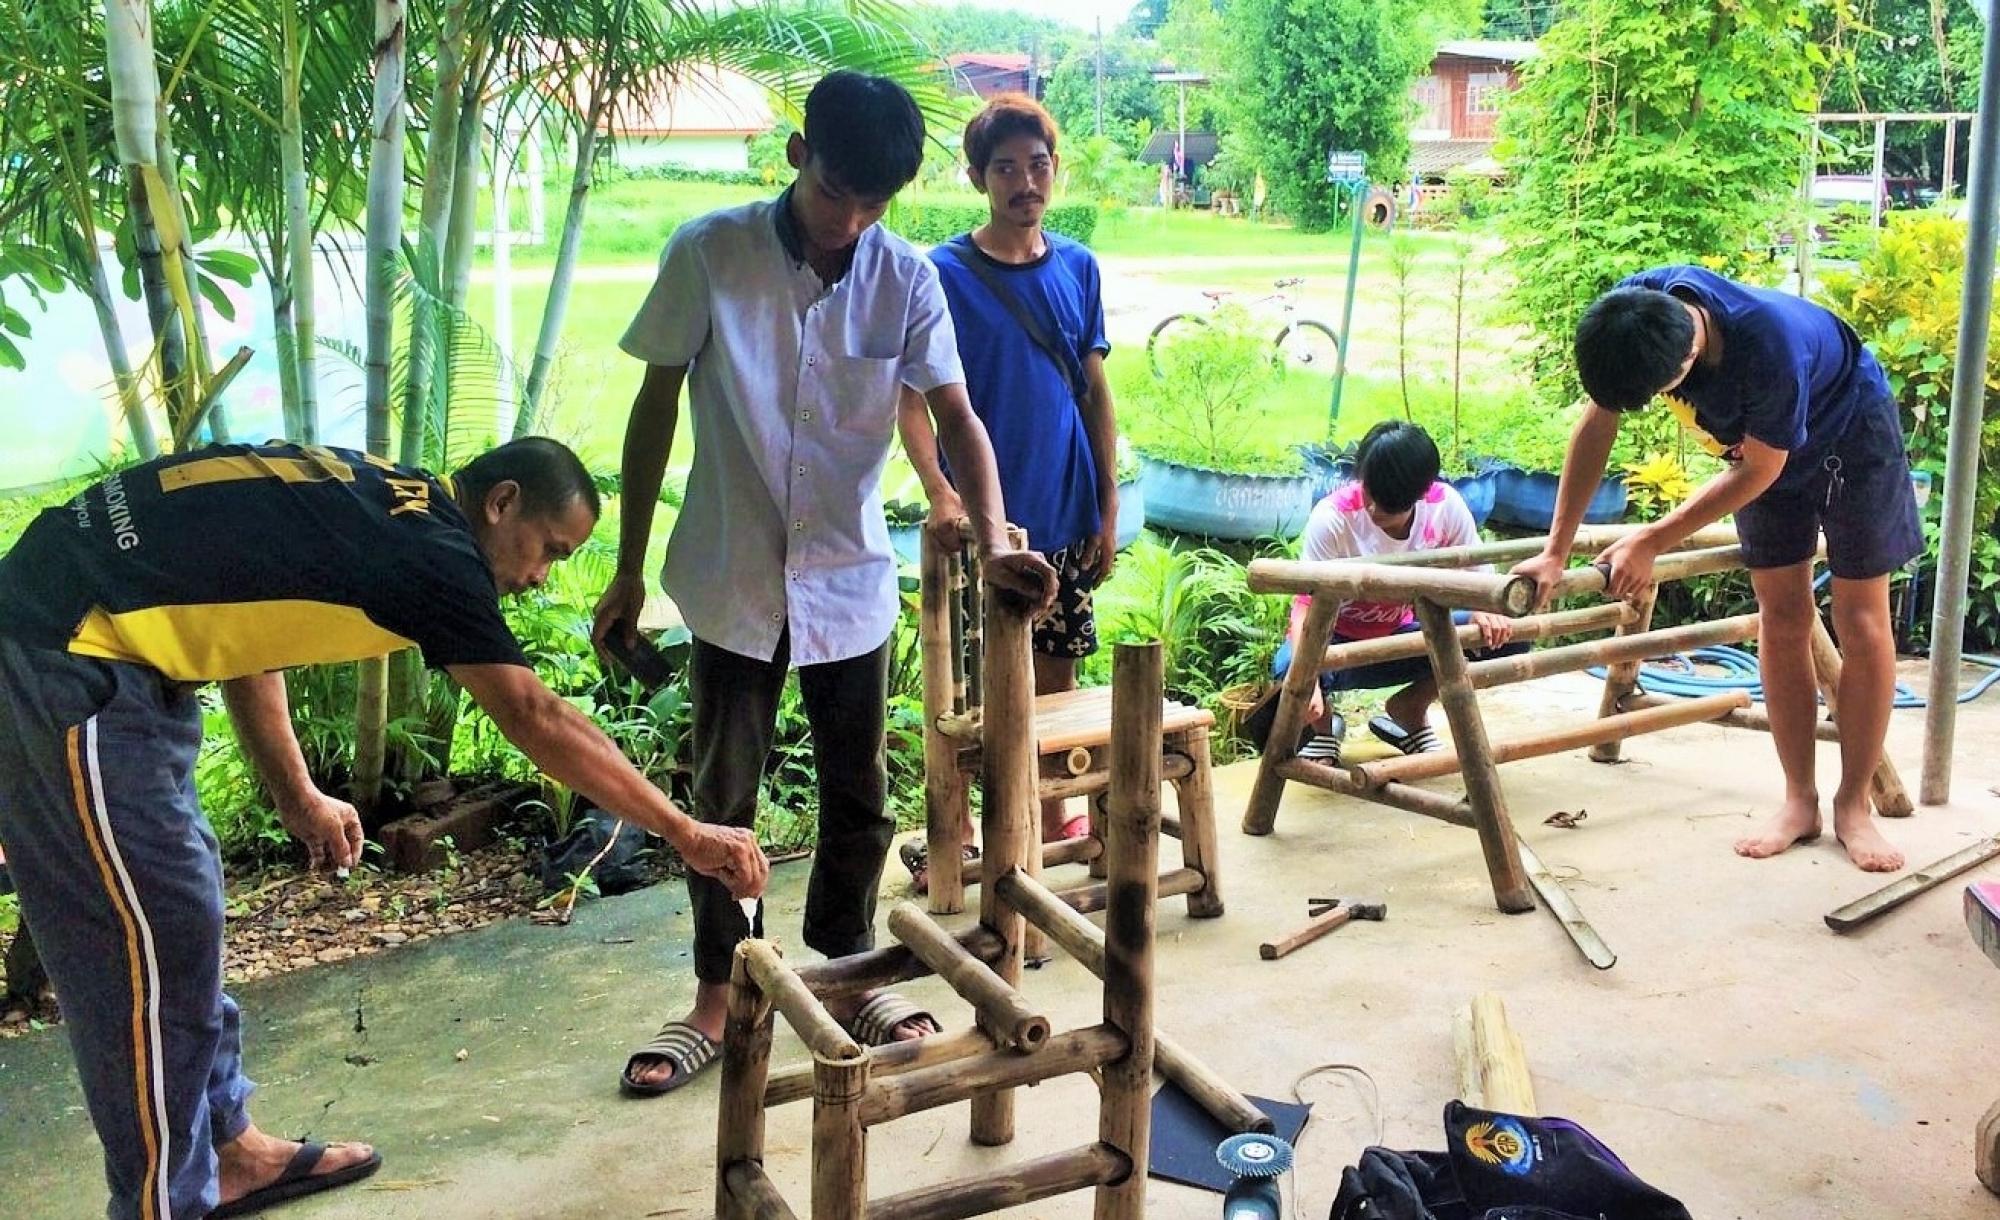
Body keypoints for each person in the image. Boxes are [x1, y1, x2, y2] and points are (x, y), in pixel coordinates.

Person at [0, 437, 767, 1220]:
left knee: (180, 916)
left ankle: (230, 1153)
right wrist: (685, 831)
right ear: (501, 503)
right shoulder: (435, 557)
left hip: (120, 649)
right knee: (142, 959)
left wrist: (297, 793)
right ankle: (162, 1204)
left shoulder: (392, 499)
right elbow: (535, 715)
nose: (541, 576)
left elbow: (244, 613)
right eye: (549, 550)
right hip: (69, 649)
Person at [593, 71, 1058, 1097]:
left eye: (873, 204)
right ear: (798, 155)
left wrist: (991, 541)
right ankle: (718, 994)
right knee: (723, 796)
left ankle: (846, 976)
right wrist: (626, 566)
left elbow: (956, 415)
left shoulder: (904, 278)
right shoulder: (709, 253)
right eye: (837, 193)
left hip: (847, 580)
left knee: (859, 795)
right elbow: (653, 407)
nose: (850, 222)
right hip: (731, 576)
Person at [1509, 266, 1921, 873]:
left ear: (1689, 357)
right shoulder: (1633, 315)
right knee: (1781, 614)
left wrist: (1651, 539)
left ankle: (1853, 806)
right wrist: (1555, 549)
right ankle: (1799, 801)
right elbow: (1598, 423)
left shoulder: (1769, 346)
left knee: (1860, 620)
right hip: (1758, 445)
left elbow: (1761, 469)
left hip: (1849, 430)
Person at [895, 94, 1118, 889]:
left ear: (1056, 170)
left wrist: (1107, 506)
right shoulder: (942, 273)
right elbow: (910, 401)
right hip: (983, 533)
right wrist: (940, 491)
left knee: (1057, 677)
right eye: (1006, 169)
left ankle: (1051, 823)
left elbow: (1095, 392)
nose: (1026, 183)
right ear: (977, 178)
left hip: (1064, 512)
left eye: (1038, 165)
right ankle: (961, 835)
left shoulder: (1079, 267)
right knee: (969, 690)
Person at [1262, 422, 1523, 764]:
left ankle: (1410, 709)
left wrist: (1484, 611)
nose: (1373, 508)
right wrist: (1305, 677)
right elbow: (1305, 605)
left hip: (1405, 636)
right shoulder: (1333, 517)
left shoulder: (1445, 507)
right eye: (1369, 492)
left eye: (1387, 503)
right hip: (1335, 643)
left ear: (1422, 492)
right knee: (1288, 667)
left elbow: (1481, 581)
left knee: (1508, 636)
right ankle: (1324, 728)